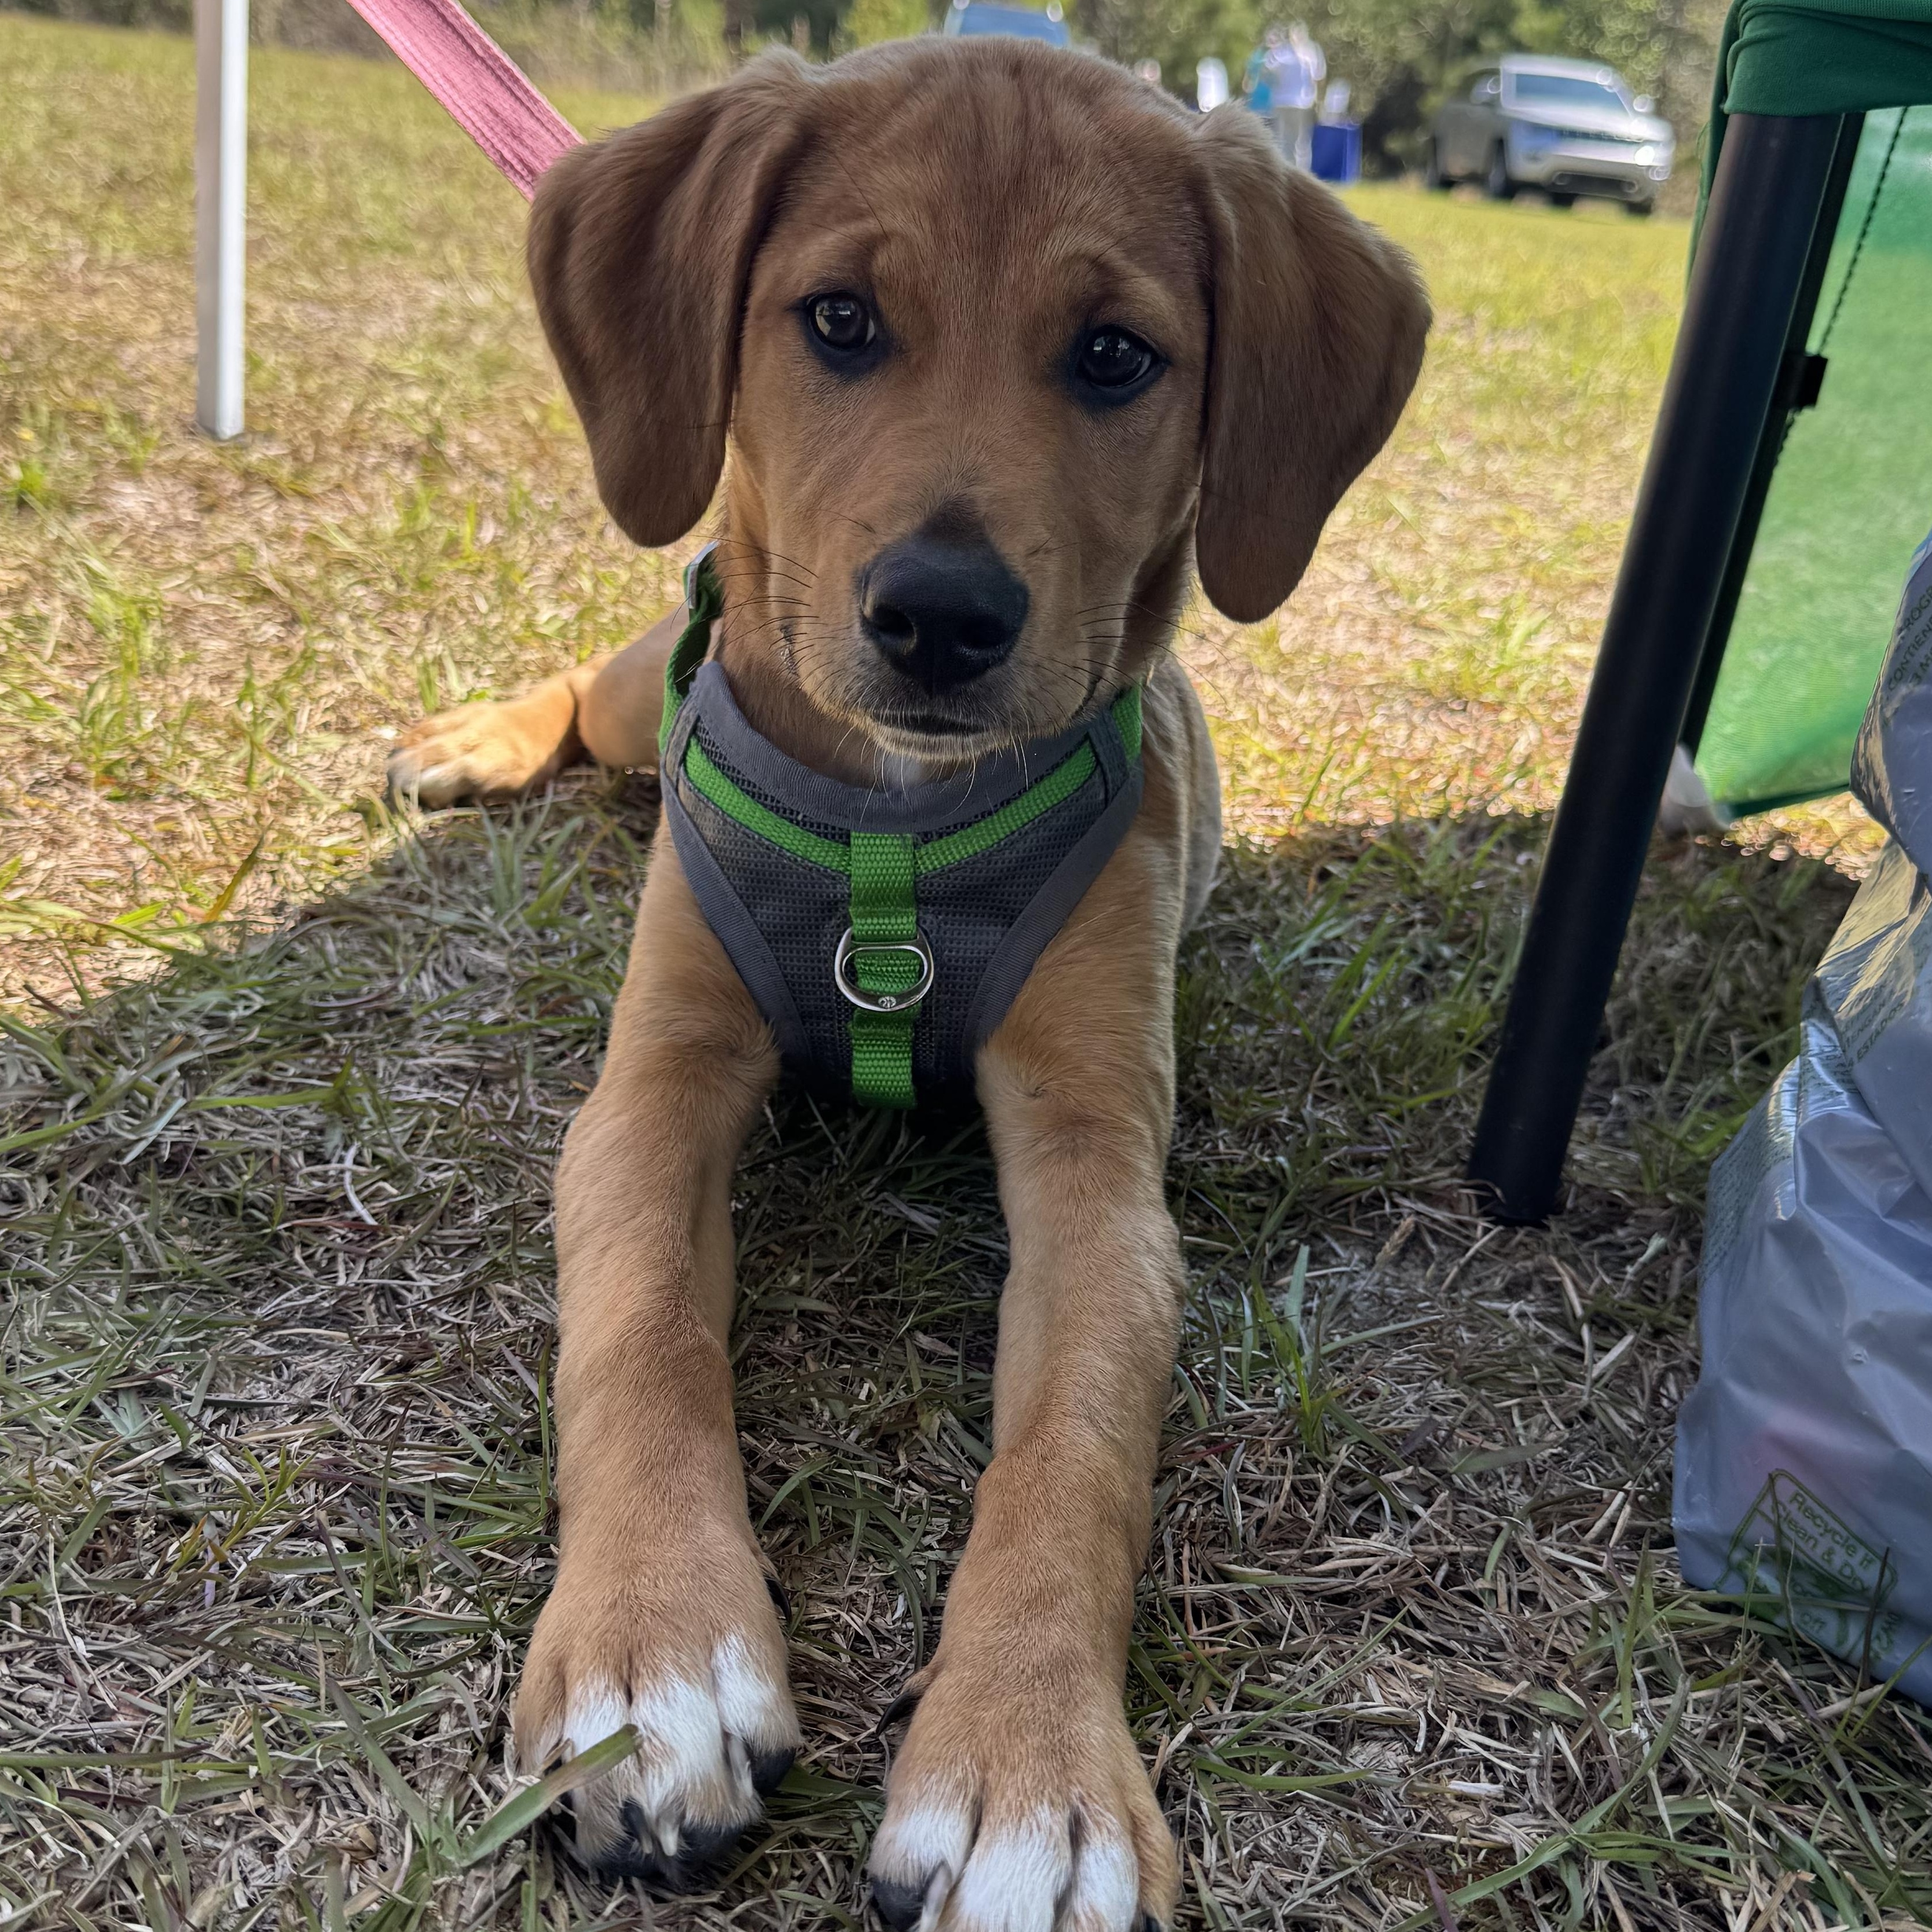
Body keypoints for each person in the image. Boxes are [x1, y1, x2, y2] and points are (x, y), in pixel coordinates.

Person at [1269, 21, 1325, 170]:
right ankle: (1298, 174)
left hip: (1285, 102)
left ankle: (1288, 173)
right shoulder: (1309, 53)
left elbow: (1270, 74)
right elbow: (1317, 79)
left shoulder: (1282, 53)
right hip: (1300, 103)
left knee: (1285, 141)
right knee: (1300, 143)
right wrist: (1319, 101)